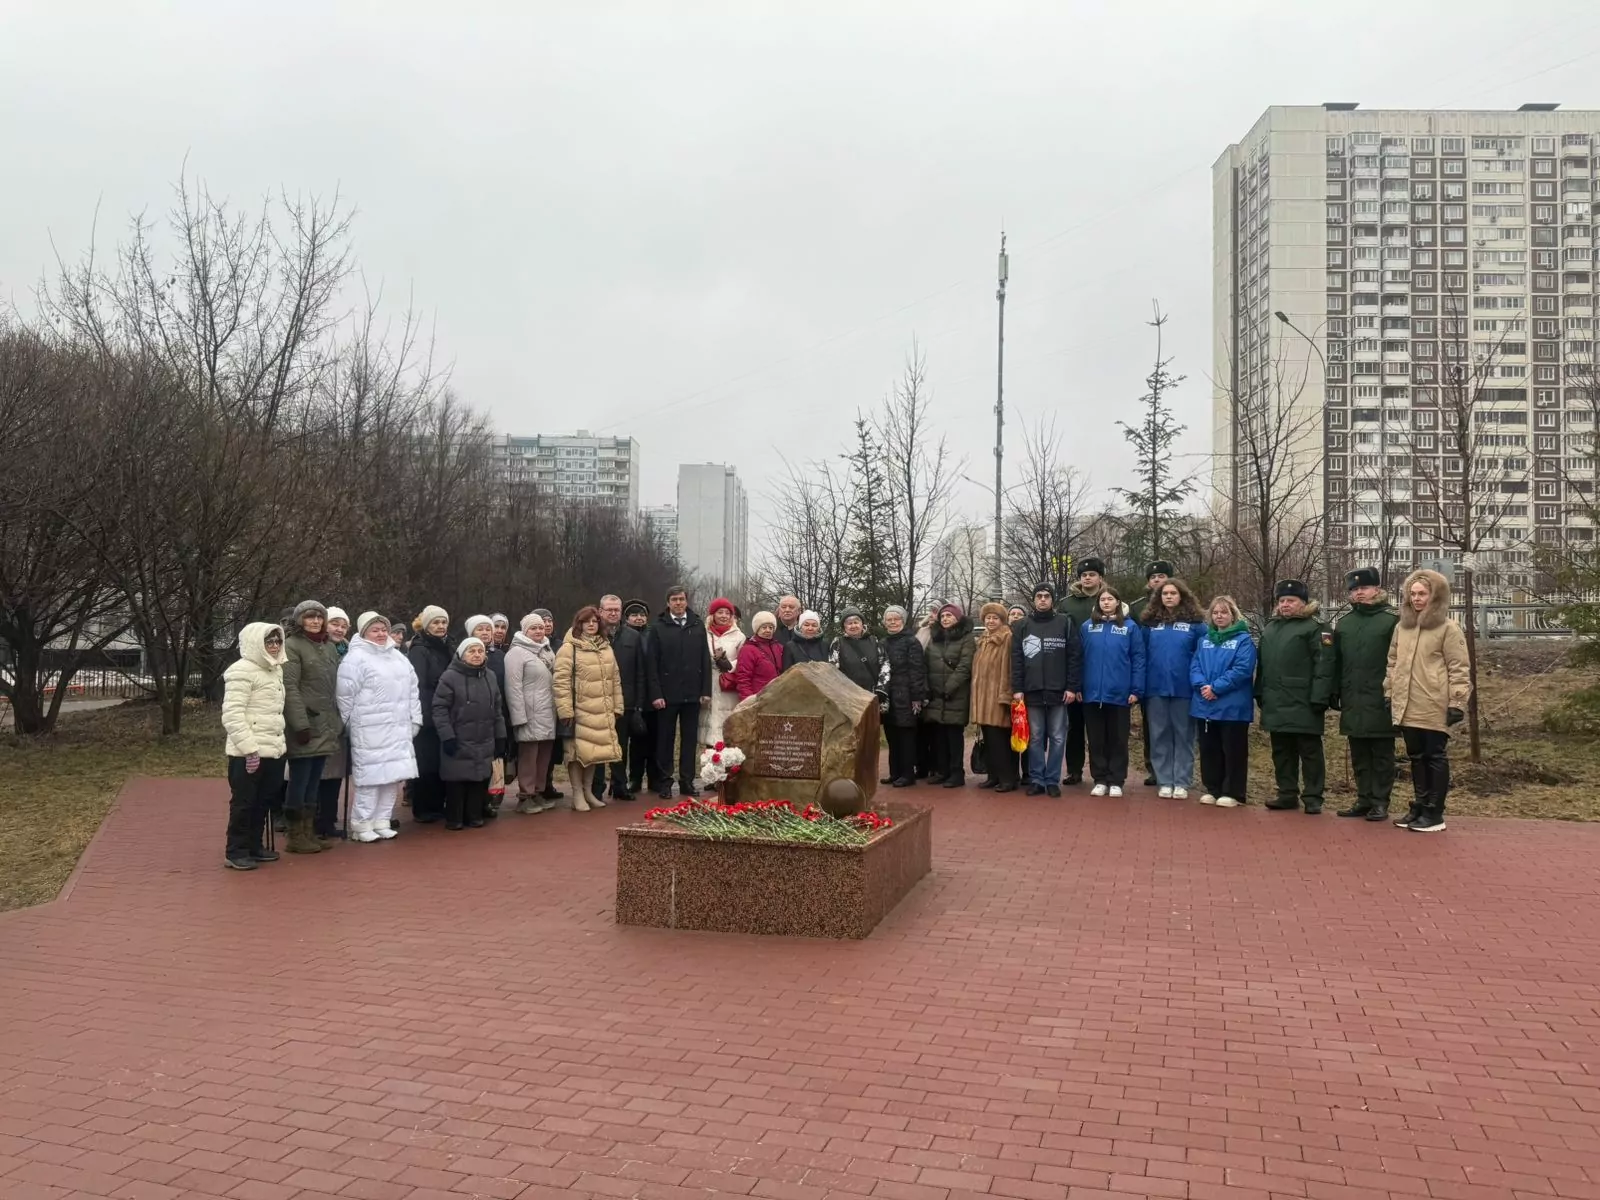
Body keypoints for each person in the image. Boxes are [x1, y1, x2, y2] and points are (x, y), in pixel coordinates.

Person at [1386, 568, 1472, 833]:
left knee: (1434, 755)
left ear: (1435, 595)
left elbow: (1459, 666)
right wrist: (1389, 693)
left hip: (1434, 703)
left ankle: (1435, 812)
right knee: (1416, 756)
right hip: (1408, 703)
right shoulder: (1403, 627)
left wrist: (1457, 702)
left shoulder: (1448, 628)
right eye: (1412, 594)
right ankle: (1420, 806)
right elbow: (1392, 662)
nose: (1417, 599)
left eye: (1422, 593)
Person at [337, 613, 421, 842]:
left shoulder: (399, 658)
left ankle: (382, 820)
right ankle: (362, 824)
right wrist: (347, 724)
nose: (381, 634)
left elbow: (413, 690)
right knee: (371, 779)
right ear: (364, 632)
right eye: (375, 630)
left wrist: (415, 719)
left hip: (398, 728)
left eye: (383, 630)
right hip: (369, 728)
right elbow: (345, 696)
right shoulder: (355, 659)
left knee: (393, 777)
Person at [1256, 579, 1335, 814]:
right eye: (1281, 601)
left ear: (1303, 602)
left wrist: (1320, 697)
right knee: (1281, 750)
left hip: (1304, 702)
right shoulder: (1271, 628)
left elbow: (1325, 663)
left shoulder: (1317, 628)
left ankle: (1313, 797)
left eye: (1291, 600)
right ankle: (1287, 792)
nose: (1285, 605)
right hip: (1275, 700)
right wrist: (1259, 691)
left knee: (1309, 751)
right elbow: (1263, 664)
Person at [1332, 568, 1401, 823]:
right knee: (1359, 751)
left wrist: (1393, 693)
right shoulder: (1345, 623)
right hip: (1353, 697)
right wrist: (1335, 691)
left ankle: (1380, 802)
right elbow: (1336, 661)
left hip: (1381, 697)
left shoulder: (1392, 621)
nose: (1359, 592)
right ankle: (1363, 799)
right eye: (1354, 589)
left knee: (1382, 754)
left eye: (1364, 588)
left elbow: (1399, 661)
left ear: (1377, 589)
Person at [220, 622, 288, 870]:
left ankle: (254, 845)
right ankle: (235, 850)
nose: (273, 646)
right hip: (246, 752)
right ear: (255, 643)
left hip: (273, 749)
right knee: (244, 802)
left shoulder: (275, 670)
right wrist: (249, 748)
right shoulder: (240, 671)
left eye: (277, 642)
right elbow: (232, 714)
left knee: (264, 800)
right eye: (268, 642)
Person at [281, 600, 343, 854]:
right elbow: (290, 687)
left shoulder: (328, 646)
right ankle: (295, 835)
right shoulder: (292, 646)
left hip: (326, 723)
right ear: (300, 620)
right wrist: (300, 724)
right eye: (310, 617)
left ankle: (310, 831)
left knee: (315, 780)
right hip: (305, 723)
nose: (315, 621)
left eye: (319, 617)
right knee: (300, 779)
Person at [1011, 582, 1082, 797]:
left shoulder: (1065, 623)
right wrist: (1017, 688)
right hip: (1031, 692)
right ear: (1033, 600)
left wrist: (1072, 686)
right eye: (1039, 596)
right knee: (1035, 738)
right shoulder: (1022, 625)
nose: (1042, 599)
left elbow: (1074, 657)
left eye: (1046, 596)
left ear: (1053, 599)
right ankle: (1037, 779)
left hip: (1058, 692)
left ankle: (1052, 780)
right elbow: (1016, 659)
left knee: (1059, 737)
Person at [432, 636, 507, 830]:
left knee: (479, 777)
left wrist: (501, 737)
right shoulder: (449, 677)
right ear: (462, 654)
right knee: (457, 779)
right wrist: (447, 735)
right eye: (471, 651)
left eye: (480, 651)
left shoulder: (490, 676)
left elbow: (498, 709)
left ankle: (474, 815)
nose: (476, 655)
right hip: (457, 736)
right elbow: (439, 709)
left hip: (484, 737)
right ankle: (454, 817)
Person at [554, 605, 625, 812]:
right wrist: (565, 710)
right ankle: (577, 793)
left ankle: (588, 792)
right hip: (579, 711)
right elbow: (561, 682)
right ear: (579, 624)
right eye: (587, 622)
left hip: (602, 710)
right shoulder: (569, 648)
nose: (592, 625)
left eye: (595, 621)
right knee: (576, 754)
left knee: (593, 753)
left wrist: (617, 706)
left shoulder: (606, 647)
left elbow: (615, 679)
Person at [1139, 578, 1205, 799]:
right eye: (1165, 593)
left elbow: (1203, 655)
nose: (1168, 596)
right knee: (1159, 735)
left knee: (1184, 736)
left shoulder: (1196, 625)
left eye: (1173, 593)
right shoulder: (1149, 624)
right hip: (1155, 689)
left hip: (1184, 689)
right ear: (1158, 597)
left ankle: (1182, 781)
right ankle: (1165, 780)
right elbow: (1141, 656)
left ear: (1182, 596)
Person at [1078, 587, 1145, 797]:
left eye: (1110, 599)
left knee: (1117, 739)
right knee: (1096, 739)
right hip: (1091, 694)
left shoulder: (1130, 627)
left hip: (1119, 693)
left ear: (1118, 602)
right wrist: (1078, 686)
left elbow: (1139, 659)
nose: (1106, 603)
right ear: (1097, 604)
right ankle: (1099, 778)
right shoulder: (1087, 627)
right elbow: (1078, 659)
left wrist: (1136, 689)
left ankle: (1116, 779)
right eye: (1102, 600)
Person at [1190, 596, 1256, 807]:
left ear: (1233, 615)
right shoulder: (1204, 640)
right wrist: (1202, 686)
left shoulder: (1243, 640)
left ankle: (1233, 792)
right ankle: (1213, 788)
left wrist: (1217, 688)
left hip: (1231, 705)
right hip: (1205, 704)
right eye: (1216, 613)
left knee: (1233, 749)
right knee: (1210, 749)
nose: (1219, 616)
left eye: (1224, 612)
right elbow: (1195, 666)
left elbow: (1242, 669)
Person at [645, 586, 711, 799]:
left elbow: (704, 660)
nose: (678, 603)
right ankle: (665, 781)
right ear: (668, 603)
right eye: (674, 600)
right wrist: (656, 694)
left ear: (686, 601)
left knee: (689, 740)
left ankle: (687, 781)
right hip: (667, 694)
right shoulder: (658, 627)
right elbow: (651, 664)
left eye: (682, 599)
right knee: (665, 740)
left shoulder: (697, 625)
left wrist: (705, 690)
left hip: (692, 694)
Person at [1060, 558, 1112, 785]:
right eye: (1084, 575)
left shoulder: (1109, 600)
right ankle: (1074, 769)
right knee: (1075, 725)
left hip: (1103, 671)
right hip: (1074, 670)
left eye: (1092, 574)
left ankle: (1103, 770)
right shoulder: (1066, 604)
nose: (1087, 578)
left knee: (1101, 726)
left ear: (1100, 577)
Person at [597, 594, 650, 801]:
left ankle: (619, 784)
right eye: (608, 609)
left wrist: (638, 704)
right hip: (598, 700)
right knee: (599, 745)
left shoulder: (632, 637)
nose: (612, 613)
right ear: (600, 611)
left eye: (616, 610)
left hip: (625, 700)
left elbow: (640, 673)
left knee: (620, 745)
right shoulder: (593, 634)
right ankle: (597, 786)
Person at [505, 612, 558, 814]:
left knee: (544, 756)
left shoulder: (546, 650)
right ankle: (525, 796)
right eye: (533, 628)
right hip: (529, 714)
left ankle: (538, 792)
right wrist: (518, 718)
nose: (538, 631)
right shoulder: (516, 653)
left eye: (541, 628)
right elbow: (513, 688)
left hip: (548, 713)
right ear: (524, 631)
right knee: (528, 757)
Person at [920, 604, 975, 787]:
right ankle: (941, 771)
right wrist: (928, 688)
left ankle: (956, 773)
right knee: (939, 736)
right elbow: (926, 665)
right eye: (943, 616)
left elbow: (965, 666)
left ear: (957, 618)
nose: (945, 619)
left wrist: (949, 687)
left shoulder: (966, 638)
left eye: (949, 616)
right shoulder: (935, 638)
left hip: (955, 695)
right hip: (936, 695)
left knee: (953, 736)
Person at [407, 605, 453, 823]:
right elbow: (418, 685)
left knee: (441, 762)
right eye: (436, 622)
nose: (440, 626)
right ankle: (423, 807)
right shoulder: (419, 649)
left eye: (443, 622)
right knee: (426, 763)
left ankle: (438, 803)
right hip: (428, 712)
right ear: (426, 626)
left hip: (447, 711)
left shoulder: (447, 646)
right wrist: (426, 715)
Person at [462, 614, 508, 818]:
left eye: (488, 629)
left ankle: (487, 801)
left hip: (495, 714)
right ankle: (467, 804)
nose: (486, 633)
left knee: (493, 760)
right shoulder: (463, 654)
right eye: (480, 629)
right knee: (472, 762)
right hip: (470, 716)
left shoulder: (498, 656)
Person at [970, 602, 1018, 792]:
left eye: (994, 618)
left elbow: (1009, 668)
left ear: (1002, 620)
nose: (990, 621)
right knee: (989, 740)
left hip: (998, 698)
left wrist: (1007, 695)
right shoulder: (983, 639)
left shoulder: (1007, 638)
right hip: (983, 698)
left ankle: (1008, 778)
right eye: (988, 618)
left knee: (1001, 742)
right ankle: (993, 775)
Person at [1136, 561, 1175, 785]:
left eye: (1162, 576)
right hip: (1149, 675)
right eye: (1153, 577)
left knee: (1177, 725)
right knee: (1152, 724)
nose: (1157, 580)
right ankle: (1153, 767)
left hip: (1175, 676)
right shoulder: (1137, 607)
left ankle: (1175, 767)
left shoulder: (1182, 604)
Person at [881, 605, 928, 787]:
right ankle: (895, 772)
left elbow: (917, 670)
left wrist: (916, 697)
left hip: (907, 694)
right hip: (889, 694)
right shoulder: (884, 642)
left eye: (896, 619)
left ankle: (908, 774)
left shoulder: (911, 642)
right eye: (889, 619)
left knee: (906, 736)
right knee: (891, 735)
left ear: (903, 621)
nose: (893, 622)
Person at [316, 606, 352, 841]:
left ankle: (328, 820)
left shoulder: (348, 649)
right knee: (316, 773)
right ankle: (312, 821)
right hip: (320, 718)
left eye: (343, 625)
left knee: (335, 774)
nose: (339, 629)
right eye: (334, 623)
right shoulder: (317, 647)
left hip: (341, 718)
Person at [622, 599, 662, 795]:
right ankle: (635, 778)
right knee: (636, 742)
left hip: (652, 696)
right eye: (634, 615)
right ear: (627, 618)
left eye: (642, 615)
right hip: (630, 696)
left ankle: (654, 778)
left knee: (654, 740)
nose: (638, 618)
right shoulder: (622, 636)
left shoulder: (653, 634)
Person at [532, 606, 566, 801]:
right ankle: (536, 786)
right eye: (542, 621)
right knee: (537, 748)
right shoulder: (530, 645)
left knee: (553, 748)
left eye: (549, 620)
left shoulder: (560, 645)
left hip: (556, 702)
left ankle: (548, 782)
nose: (546, 624)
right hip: (538, 703)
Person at [702, 597, 746, 749]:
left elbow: (744, 659)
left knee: (727, 726)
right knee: (710, 726)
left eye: (728, 613)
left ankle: (729, 765)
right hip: (708, 682)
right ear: (712, 615)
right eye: (720, 612)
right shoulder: (704, 634)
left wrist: (730, 665)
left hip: (728, 684)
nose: (724, 616)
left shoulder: (740, 636)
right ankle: (710, 765)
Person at [829, 608, 887, 698]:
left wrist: (881, 689)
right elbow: (833, 670)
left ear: (862, 624)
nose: (853, 626)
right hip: (849, 695)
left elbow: (884, 664)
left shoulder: (874, 641)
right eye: (849, 623)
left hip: (873, 693)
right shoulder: (838, 643)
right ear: (844, 626)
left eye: (856, 622)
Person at [733, 611, 786, 699]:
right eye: (764, 627)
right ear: (757, 629)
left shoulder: (780, 648)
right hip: (758, 698)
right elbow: (743, 678)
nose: (768, 630)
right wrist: (748, 700)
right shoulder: (748, 649)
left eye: (771, 627)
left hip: (778, 697)